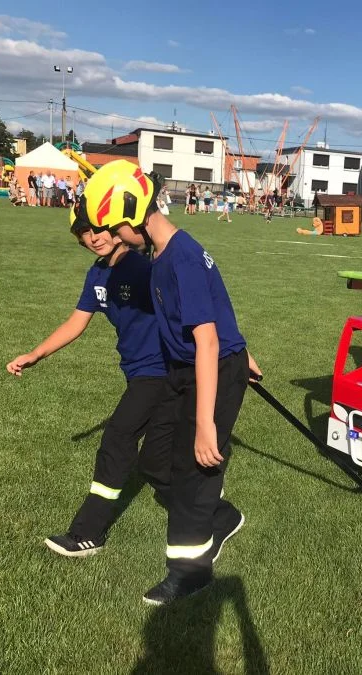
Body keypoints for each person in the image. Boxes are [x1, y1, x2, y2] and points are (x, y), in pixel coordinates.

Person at [80, 160, 262, 604]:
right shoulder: (157, 256)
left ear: (138, 215)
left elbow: (206, 340)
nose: (114, 239)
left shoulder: (180, 257)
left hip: (212, 366)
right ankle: (223, 518)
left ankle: (190, 571)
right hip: (184, 368)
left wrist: (205, 424)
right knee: (158, 459)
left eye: (118, 229)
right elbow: (214, 308)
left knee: (196, 468)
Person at [6, 209, 174, 557]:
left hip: (161, 371)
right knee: (157, 460)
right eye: (84, 231)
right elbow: (76, 322)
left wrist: (233, 352)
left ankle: (88, 533)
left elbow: (188, 309)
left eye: (99, 228)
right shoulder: (97, 275)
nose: (93, 236)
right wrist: (35, 354)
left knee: (118, 437)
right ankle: (208, 506)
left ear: (117, 228)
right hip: (137, 371)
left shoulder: (144, 269)